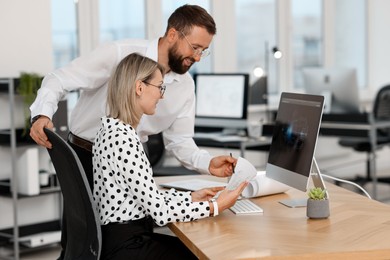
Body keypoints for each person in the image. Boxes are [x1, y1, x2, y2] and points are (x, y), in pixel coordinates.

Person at [29, 4, 235, 187]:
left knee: (132, 225)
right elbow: (59, 79)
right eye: (195, 48)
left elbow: (180, 140)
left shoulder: (185, 86)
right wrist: (42, 114)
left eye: (204, 51)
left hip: (132, 161)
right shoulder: (121, 53)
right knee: (85, 228)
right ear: (173, 34)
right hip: (85, 156)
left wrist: (207, 163)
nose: (198, 57)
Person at [94, 52, 247, 259]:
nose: (162, 95)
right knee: (207, 252)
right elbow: (160, 212)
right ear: (140, 88)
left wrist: (191, 197)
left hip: (124, 238)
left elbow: (149, 197)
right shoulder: (123, 140)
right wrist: (215, 206)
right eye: (160, 87)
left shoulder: (112, 131)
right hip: (128, 246)